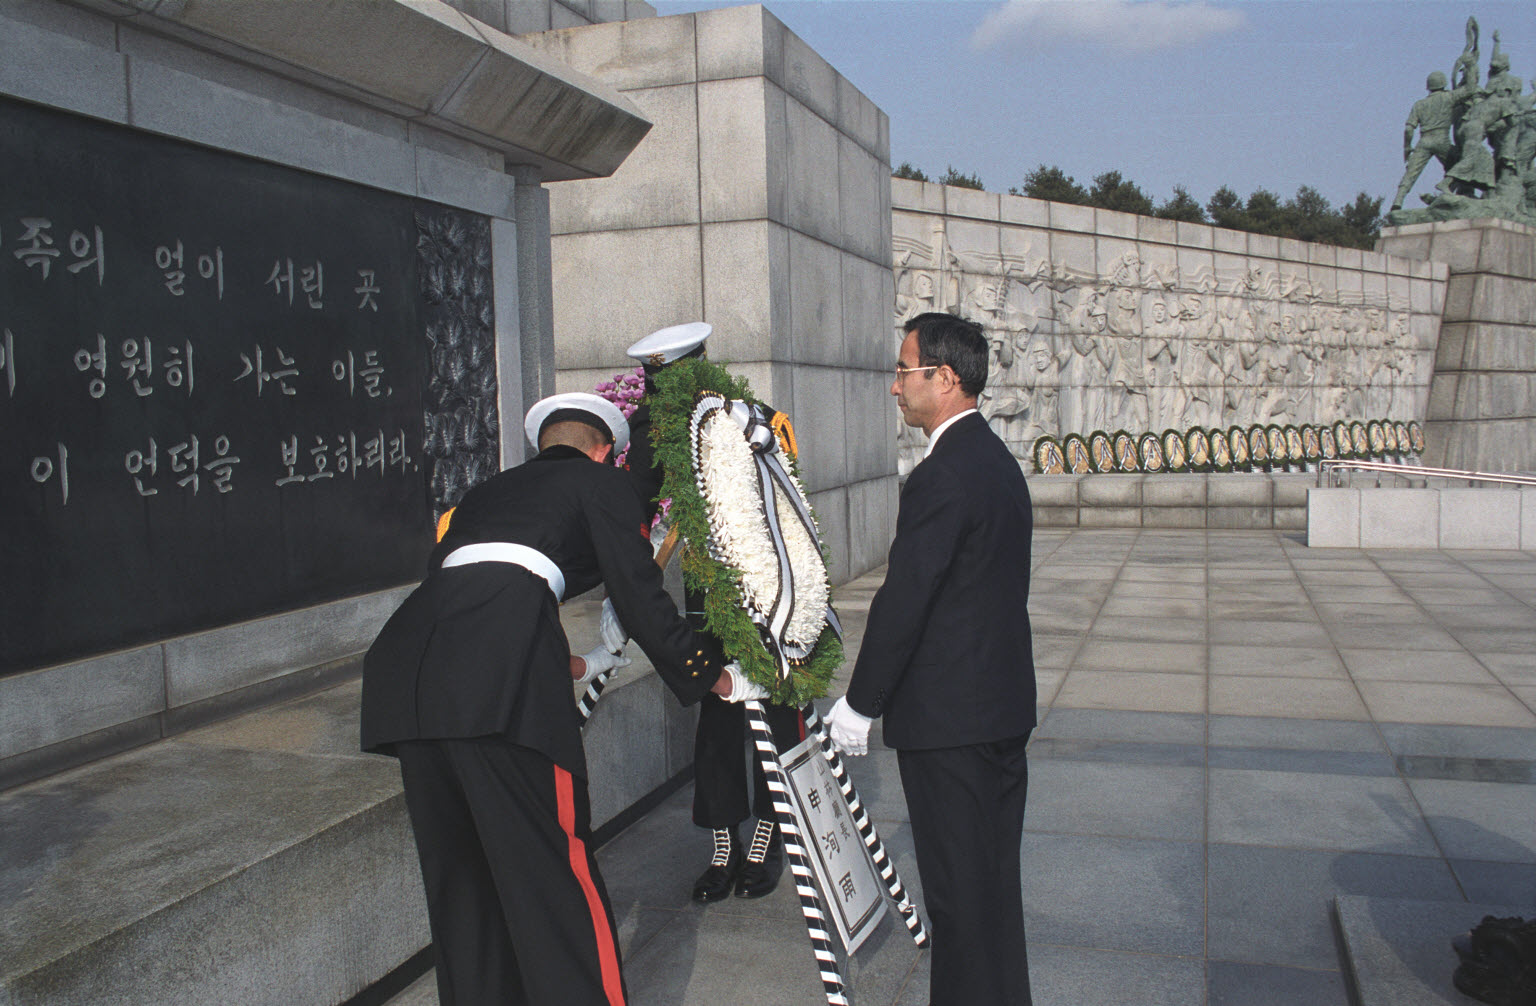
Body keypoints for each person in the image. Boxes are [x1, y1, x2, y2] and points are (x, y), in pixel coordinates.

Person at [360, 391, 765, 1006]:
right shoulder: (599, 485)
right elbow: (641, 595)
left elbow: (475, 600)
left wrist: (579, 662)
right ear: (603, 453)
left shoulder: (487, 493)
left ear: (544, 444)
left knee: (464, 889)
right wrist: (717, 678)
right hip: (503, 699)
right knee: (556, 881)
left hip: (411, 683)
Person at [825, 312, 1037, 1006]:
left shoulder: (945, 474)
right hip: (995, 709)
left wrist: (861, 703)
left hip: (952, 725)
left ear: (944, 379)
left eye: (904, 370)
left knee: (960, 904)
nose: (894, 387)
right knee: (992, 896)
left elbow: (906, 598)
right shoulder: (994, 460)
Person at [602, 322, 804, 903]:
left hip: (768, 593)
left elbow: (788, 509)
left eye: (673, 381)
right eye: (655, 384)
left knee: (777, 708)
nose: (663, 395)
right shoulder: (653, 431)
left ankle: (769, 830)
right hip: (707, 595)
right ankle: (723, 841)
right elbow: (629, 511)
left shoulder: (752, 419)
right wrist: (623, 588)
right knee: (718, 716)